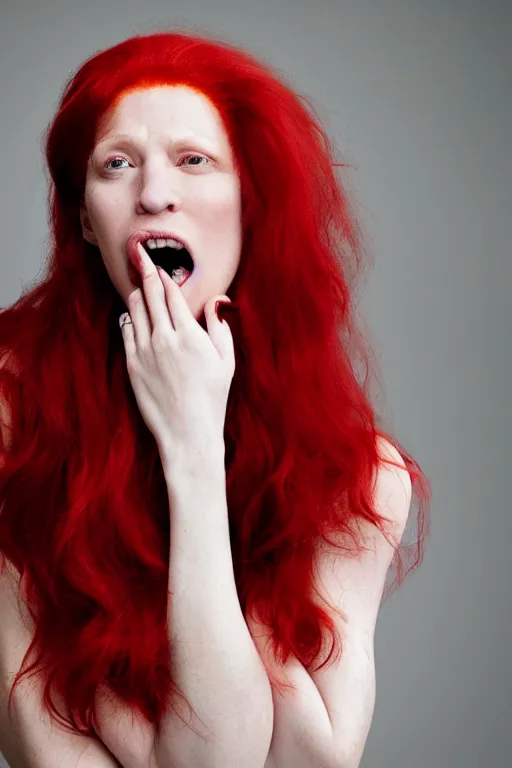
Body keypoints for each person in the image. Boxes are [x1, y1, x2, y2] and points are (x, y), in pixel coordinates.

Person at [0, 28, 431, 768]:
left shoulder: (365, 479)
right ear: (84, 220)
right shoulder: (13, 422)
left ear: (253, 203)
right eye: (117, 165)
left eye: (194, 162)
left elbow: (309, 763)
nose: (155, 195)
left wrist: (194, 449)